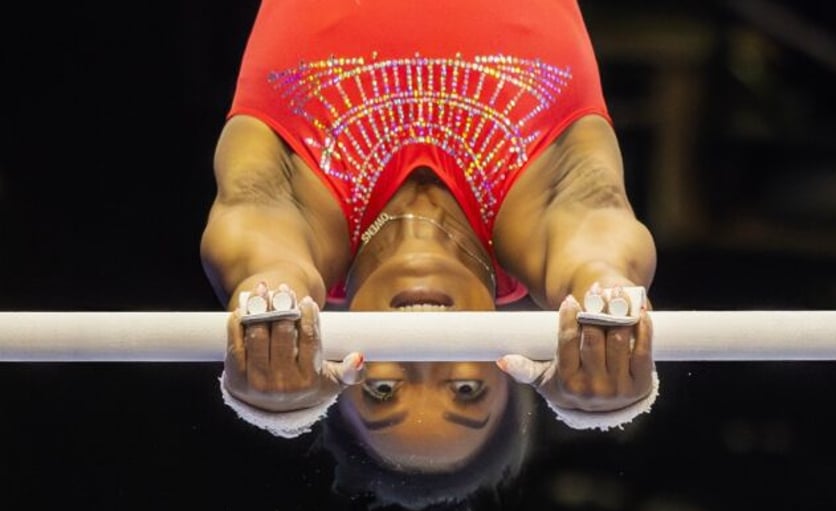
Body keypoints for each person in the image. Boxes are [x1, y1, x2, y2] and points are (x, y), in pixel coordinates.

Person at [200, 0, 658, 479]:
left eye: (382, 391)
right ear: (515, 368)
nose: (424, 361)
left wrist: (270, 344)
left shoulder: (297, 217)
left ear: (329, 363)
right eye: (465, 390)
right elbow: (599, 251)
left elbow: (265, 264)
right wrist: (607, 334)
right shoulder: (546, 215)